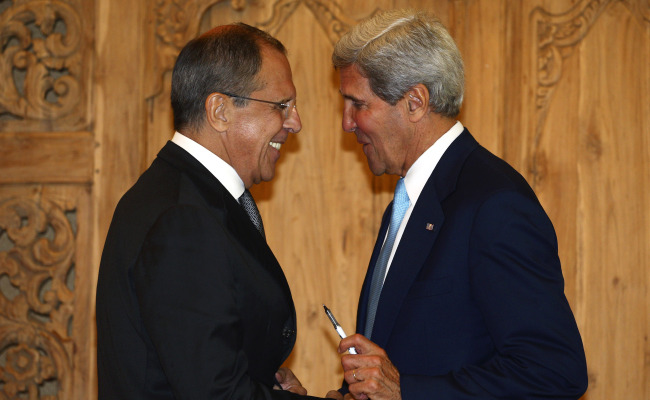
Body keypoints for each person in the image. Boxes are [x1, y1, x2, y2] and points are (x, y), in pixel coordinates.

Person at [331, 9, 588, 400]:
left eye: (358, 105)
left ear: (415, 102)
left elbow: (552, 371)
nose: (347, 123)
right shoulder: (411, 200)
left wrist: (408, 391)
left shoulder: (494, 205)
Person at [96, 23, 320, 399]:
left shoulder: (186, 197)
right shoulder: (182, 219)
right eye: (282, 106)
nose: (294, 123)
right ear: (220, 110)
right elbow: (215, 392)